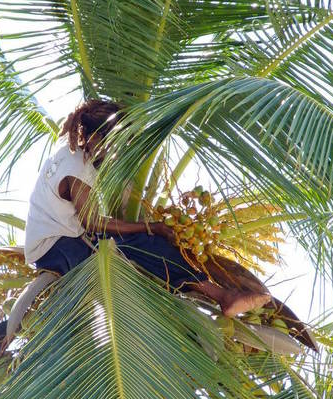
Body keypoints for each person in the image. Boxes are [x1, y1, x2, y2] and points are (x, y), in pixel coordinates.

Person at [24, 99, 270, 317]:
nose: (114, 152)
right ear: (96, 136)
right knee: (144, 247)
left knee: (137, 245)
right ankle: (222, 297)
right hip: (60, 249)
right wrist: (152, 227)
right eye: (112, 143)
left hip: (52, 245)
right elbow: (94, 222)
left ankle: (212, 292)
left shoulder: (70, 154)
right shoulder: (76, 169)